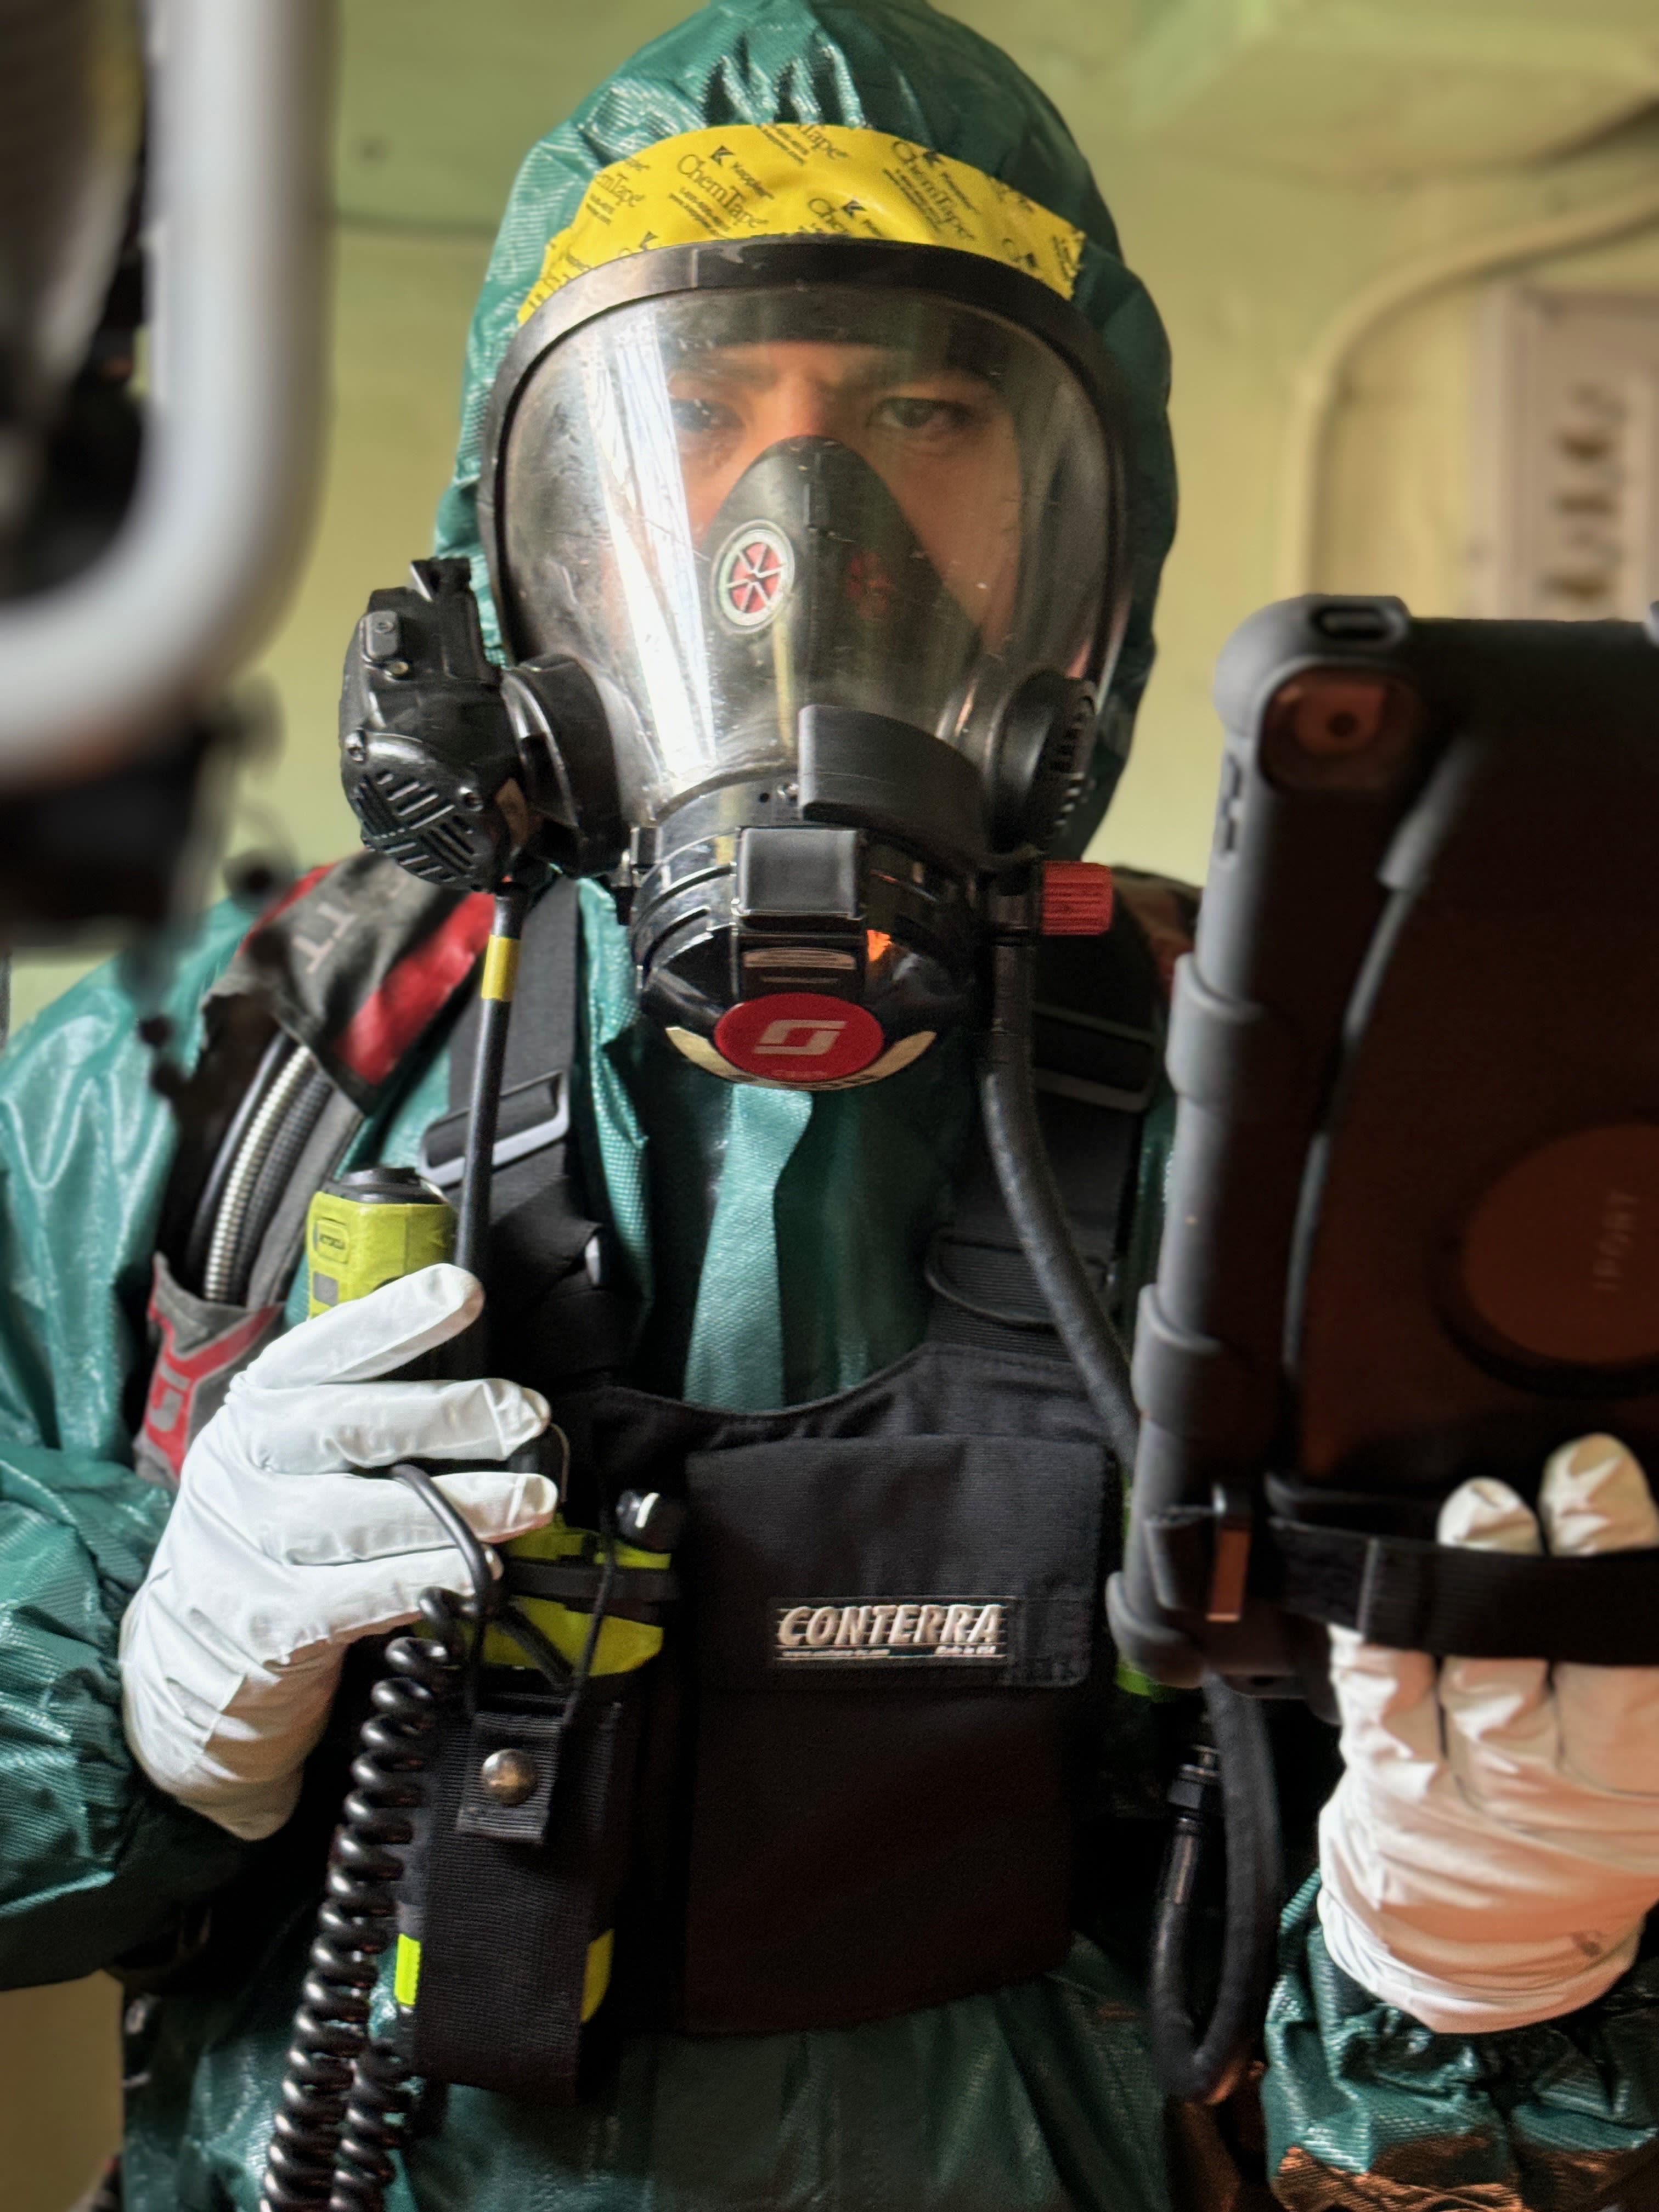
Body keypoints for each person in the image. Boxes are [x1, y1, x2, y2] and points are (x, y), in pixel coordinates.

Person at [2, 5, 1659, 2210]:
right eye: (697, 408)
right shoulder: (211, 1077)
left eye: (930, 410)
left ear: (1090, 562)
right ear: (524, 541)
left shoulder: (1284, 1115)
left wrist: (1485, 1953)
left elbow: (1388, 2057)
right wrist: (151, 1692)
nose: (797, 534)